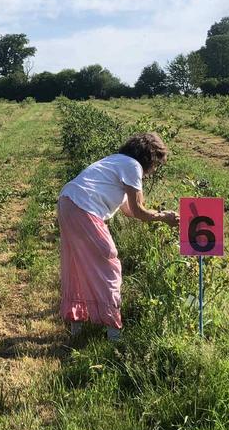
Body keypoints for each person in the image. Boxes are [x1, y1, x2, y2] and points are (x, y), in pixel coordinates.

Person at [58, 132, 178, 342]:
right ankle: (113, 332)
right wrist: (163, 217)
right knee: (109, 264)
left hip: (67, 202)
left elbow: (129, 211)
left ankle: (76, 327)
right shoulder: (133, 166)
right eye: (156, 164)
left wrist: (157, 216)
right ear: (150, 157)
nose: (153, 170)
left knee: (77, 263)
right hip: (85, 209)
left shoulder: (114, 161)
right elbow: (139, 210)